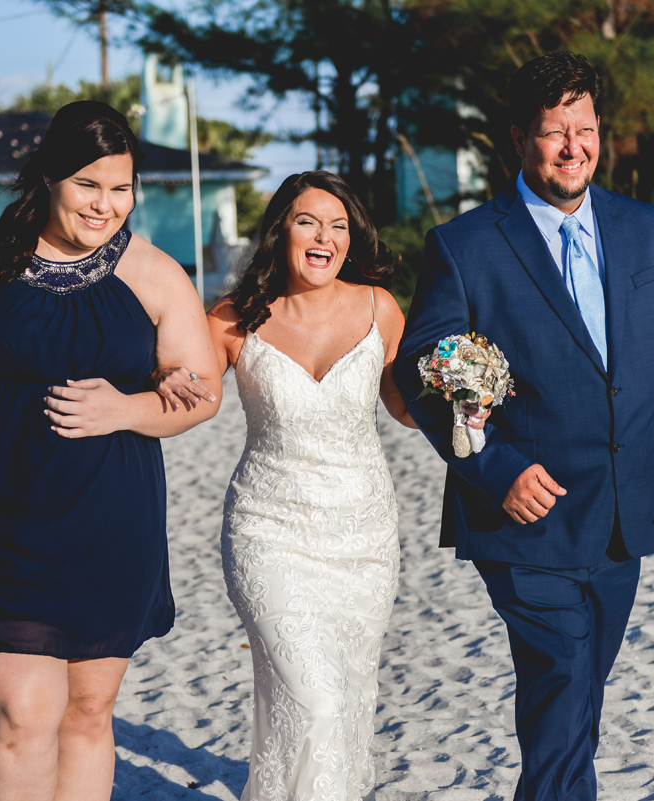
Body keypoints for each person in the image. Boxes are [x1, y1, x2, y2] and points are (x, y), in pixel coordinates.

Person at [392, 52, 654, 800]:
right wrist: (495, 468)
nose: (573, 147)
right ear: (520, 138)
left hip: (626, 509)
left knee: (579, 697)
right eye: (555, 132)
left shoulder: (645, 228)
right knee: (561, 684)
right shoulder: (465, 246)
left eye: (584, 129)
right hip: (528, 518)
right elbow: (423, 372)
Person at [0, 100, 221, 801]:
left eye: (121, 187)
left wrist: (128, 406)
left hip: (111, 523)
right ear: (48, 178)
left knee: (89, 711)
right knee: (20, 713)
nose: (106, 204)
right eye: (88, 185)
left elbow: (203, 391)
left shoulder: (156, 274)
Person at [143, 170, 484, 800]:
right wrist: (166, 379)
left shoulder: (380, 308)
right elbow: (191, 392)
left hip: (363, 538)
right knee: (315, 698)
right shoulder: (231, 319)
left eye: (339, 225)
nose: (324, 237)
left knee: (345, 696)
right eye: (308, 221)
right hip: (268, 531)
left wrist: (464, 396)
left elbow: (406, 408)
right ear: (281, 232)